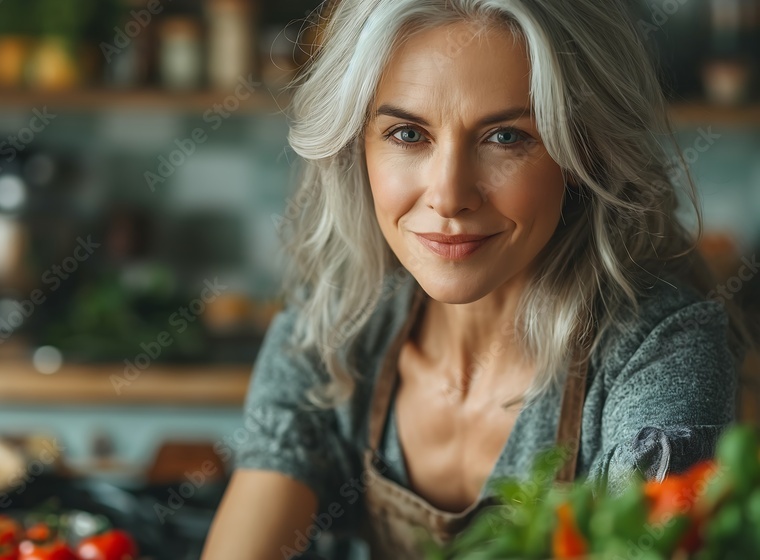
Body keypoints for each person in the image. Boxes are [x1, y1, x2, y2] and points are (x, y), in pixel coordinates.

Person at [202, 0, 754, 558]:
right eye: (408, 134)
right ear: (355, 147)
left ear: (585, 151)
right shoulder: (330, 334)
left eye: (506, 137)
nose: (448, 195)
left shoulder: (661, 352)